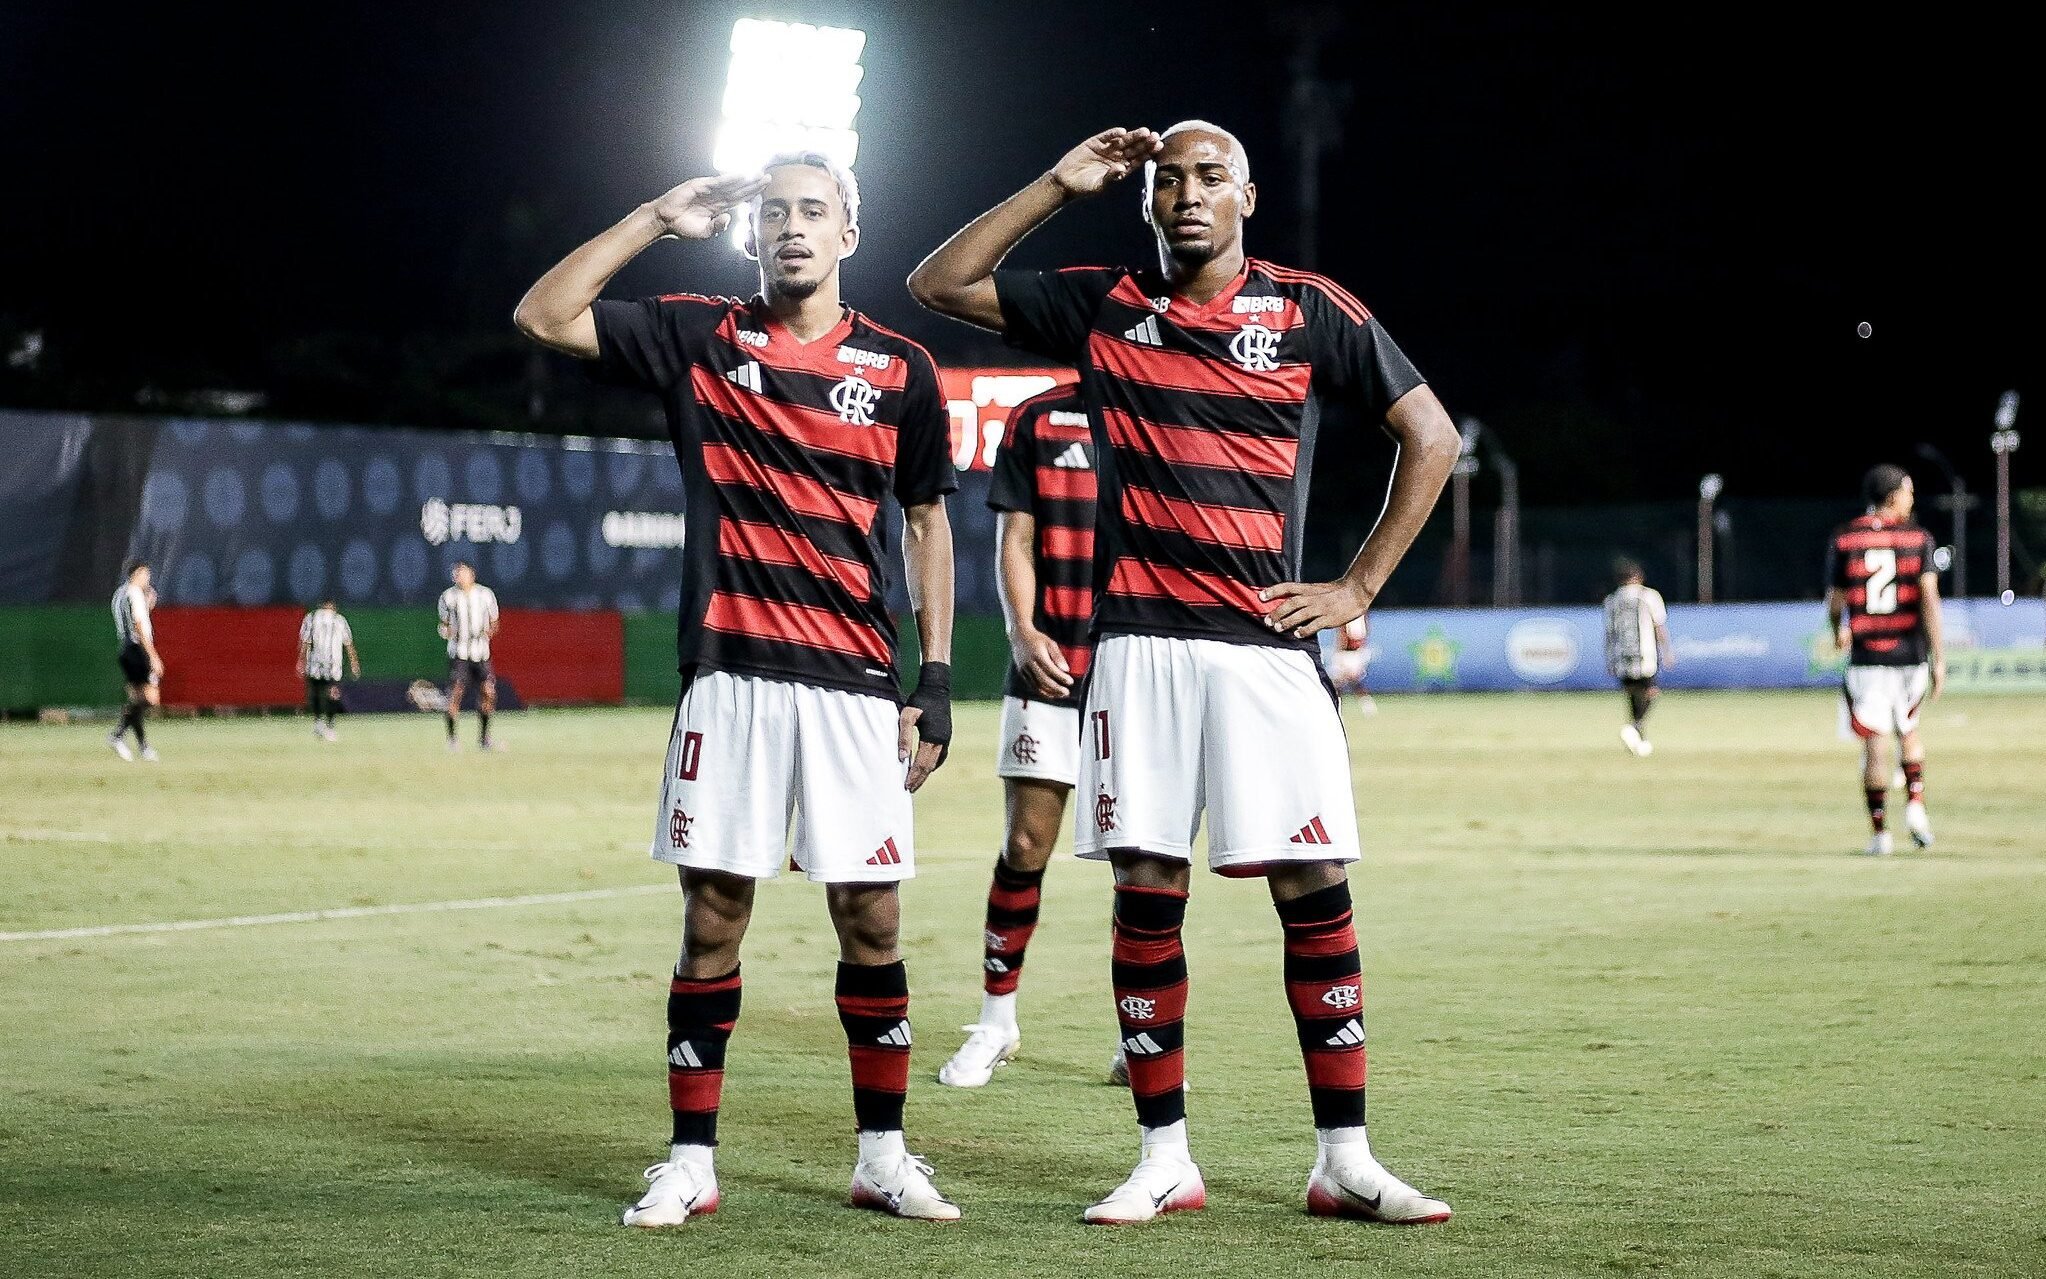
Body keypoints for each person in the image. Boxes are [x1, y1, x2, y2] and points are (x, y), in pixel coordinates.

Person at [910, 121, 1459, 1225]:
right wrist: (1060, 183)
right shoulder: (1104, 305)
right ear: (1147, 204)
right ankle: (1165, 1156)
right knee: (1146, 894)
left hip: (1267, 653)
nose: (1188, 194)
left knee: (1316, 891)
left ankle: (1344, 1157)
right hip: (1142, 650)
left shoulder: (1309, 308)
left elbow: (1433, 437)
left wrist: (1356, 586)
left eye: (1210, 176)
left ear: (1247, 196)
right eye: (1168, 182)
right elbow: (937, 281)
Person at [515, 151, 961, 1225]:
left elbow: (926, 523)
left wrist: (934, 678)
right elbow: (543, 314)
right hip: (728, 680)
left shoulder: (903, 370)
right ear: (751, 234)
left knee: (873, 918)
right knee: (713, 922)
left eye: (814, 211)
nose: (793, 227)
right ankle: (690, 1160)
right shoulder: (696, 335)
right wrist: (654, 216)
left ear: (848, 234)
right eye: (773, 213)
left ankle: (884, 1155)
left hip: (856, 688)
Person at [937, 381, 1108, 1088]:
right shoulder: (1039, 417)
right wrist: (1022, 630)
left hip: (1135, 668)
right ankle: (996, 1019)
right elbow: (1017, 538)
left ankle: (1144, 1035)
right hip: (1048, 663)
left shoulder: (1165, 405)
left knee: (1142, 857)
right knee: (1026, 844)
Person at [1826, 465, 1942, 855]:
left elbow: (1836, 601)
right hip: (1910, 654)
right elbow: (1928, 599)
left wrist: (1838, 629)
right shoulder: (1918, 538)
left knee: (1875, 743)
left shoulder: (1846, 538)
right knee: (1908, 731)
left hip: (1867, 656)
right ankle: (1915, 805)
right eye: (1909, 491)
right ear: (1893, 495)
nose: (1913, 498)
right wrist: (1938, 656)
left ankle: (1880, 835)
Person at [1602, 560, 1673, 756]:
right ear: (1639, 577)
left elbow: (1609, 633)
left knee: (1632, 694)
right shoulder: (1648, 596)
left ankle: (1638, 737)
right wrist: (1667, 651)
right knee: (1650, 692)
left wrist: (1609, 659)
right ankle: (1634, 727)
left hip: (1621, 655)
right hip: (1645, 654)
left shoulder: (1611, 600)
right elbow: (1659, 625)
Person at [437, 561, 500, 751]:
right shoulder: (448, 597)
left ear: (472, 574)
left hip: (480, 654)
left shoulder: (485, 594)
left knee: (488, 692)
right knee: (455, 693)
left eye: (463, 573)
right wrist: (447, 631)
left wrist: (489, 631)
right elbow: (444, 625)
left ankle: (484, 738)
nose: (459, 577)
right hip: (459, 654)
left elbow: (495, 622)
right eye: (456, 574)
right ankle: (452, 739)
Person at [108, 560, 162, 762]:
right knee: (150, 699)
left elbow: (127, 618)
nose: (148, 579)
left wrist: (148, 605)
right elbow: (138, 624)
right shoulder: (135, 593)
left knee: (137, 699)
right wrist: (153, 655)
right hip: (138, 648)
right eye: (145, 574)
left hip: (125, 648)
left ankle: (143, 747)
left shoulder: (119, 594)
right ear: (137, 574)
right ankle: (117, 735)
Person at [298, 597, 360, 741]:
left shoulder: (312, 617)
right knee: (332, 693)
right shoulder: (339, 620)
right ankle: (330, 726)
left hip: (315, 663)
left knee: (316, 692)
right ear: (332, 606)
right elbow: (348, 643)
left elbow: (305, 641)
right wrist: (354, 663)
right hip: (333, 664)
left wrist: (301, 661)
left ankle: (318, 723)